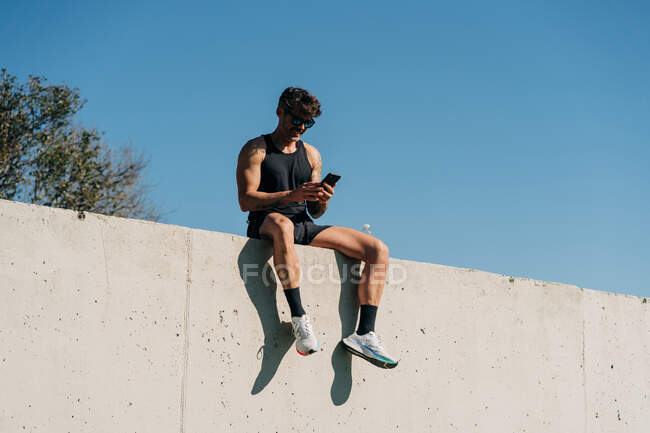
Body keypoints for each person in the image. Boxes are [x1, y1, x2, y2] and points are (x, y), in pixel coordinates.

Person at [236, 87, 397, 369]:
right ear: (279, 112)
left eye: (307, 123)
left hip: (302, 224)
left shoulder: (311, 154)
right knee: (283, 225)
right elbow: (245, 200)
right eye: (295, 119)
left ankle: (364, 334)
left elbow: (314, 211)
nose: (300, 127)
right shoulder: (256, 149)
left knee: (377, 249)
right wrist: (290, 195)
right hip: (267, 221)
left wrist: (322, 200)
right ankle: (299, 318)